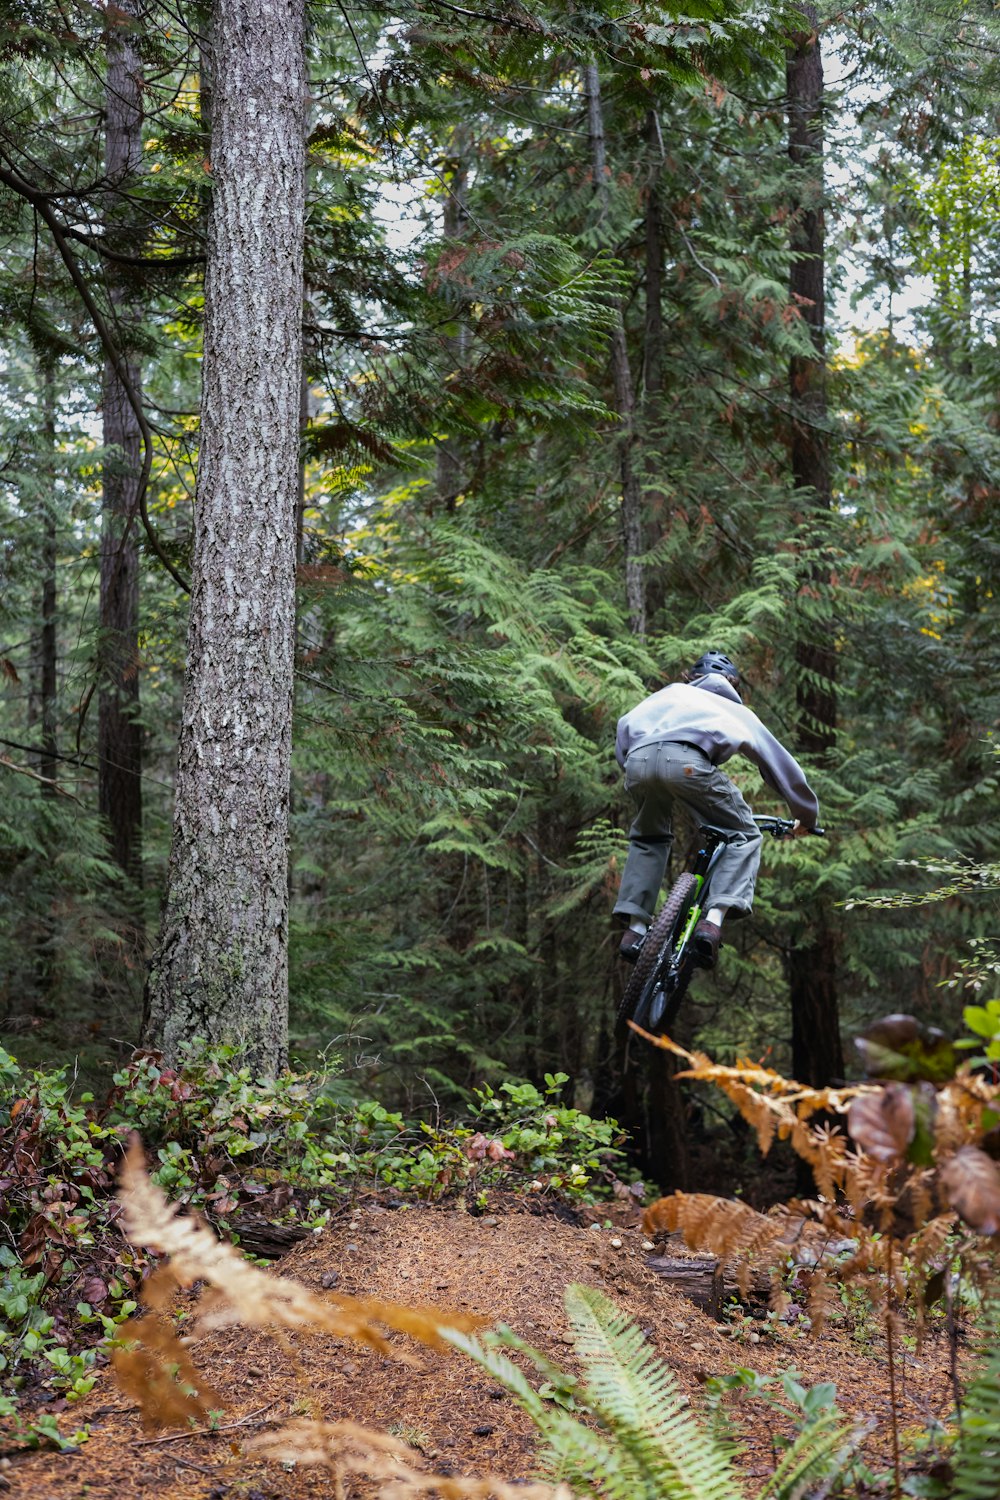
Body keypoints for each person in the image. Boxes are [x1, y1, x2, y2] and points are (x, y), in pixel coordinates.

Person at [613, 650, 820, 968]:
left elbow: (624, 726)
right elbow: (779, 765)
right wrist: (805, 817)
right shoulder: (731, 708)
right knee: (743, 833)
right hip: (687, 763)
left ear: (691, 679)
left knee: (648, 837)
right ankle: (712, 921)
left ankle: (635, 929)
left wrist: (638, 770)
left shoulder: (664, 696)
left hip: (637, 762)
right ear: (732, 684)